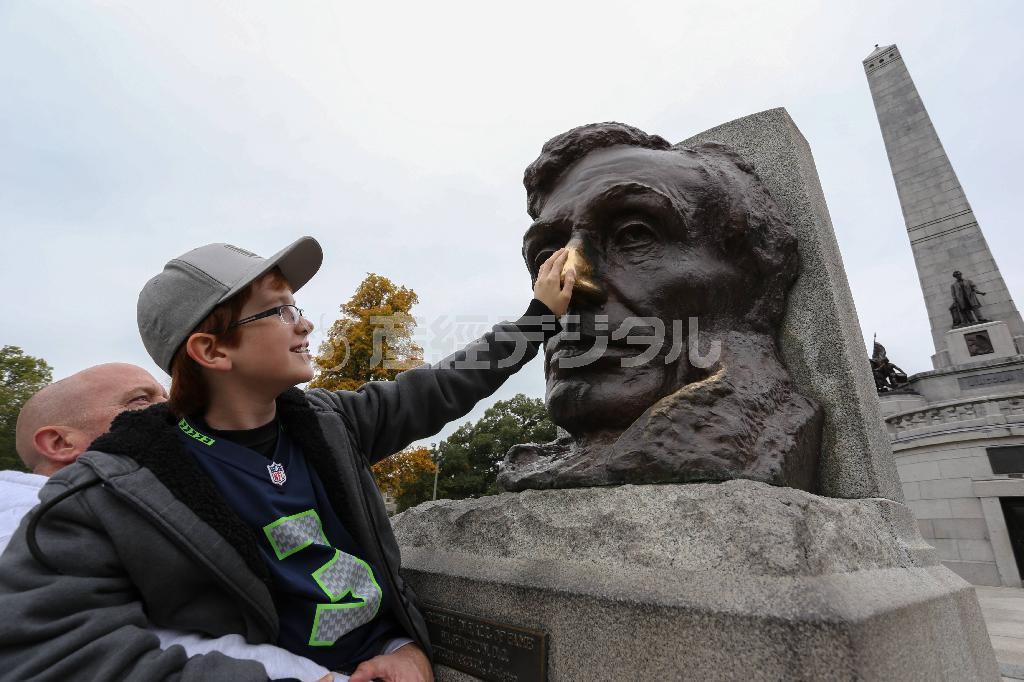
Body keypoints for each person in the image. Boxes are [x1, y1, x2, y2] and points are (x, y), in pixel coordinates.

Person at [0, 236, 574, 681]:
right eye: (276, 311)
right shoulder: (111, 492)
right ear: (212, 350)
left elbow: (443, 386)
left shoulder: (330, 424)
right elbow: (46, 651)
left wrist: (537, 318)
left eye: (296, 305)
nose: (304, 324)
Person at [2, 363, 333, 682]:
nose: (176, 411)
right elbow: (70, 661)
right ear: (60, 443)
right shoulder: (30, 528)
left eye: (168, 397)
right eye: (142, 400)